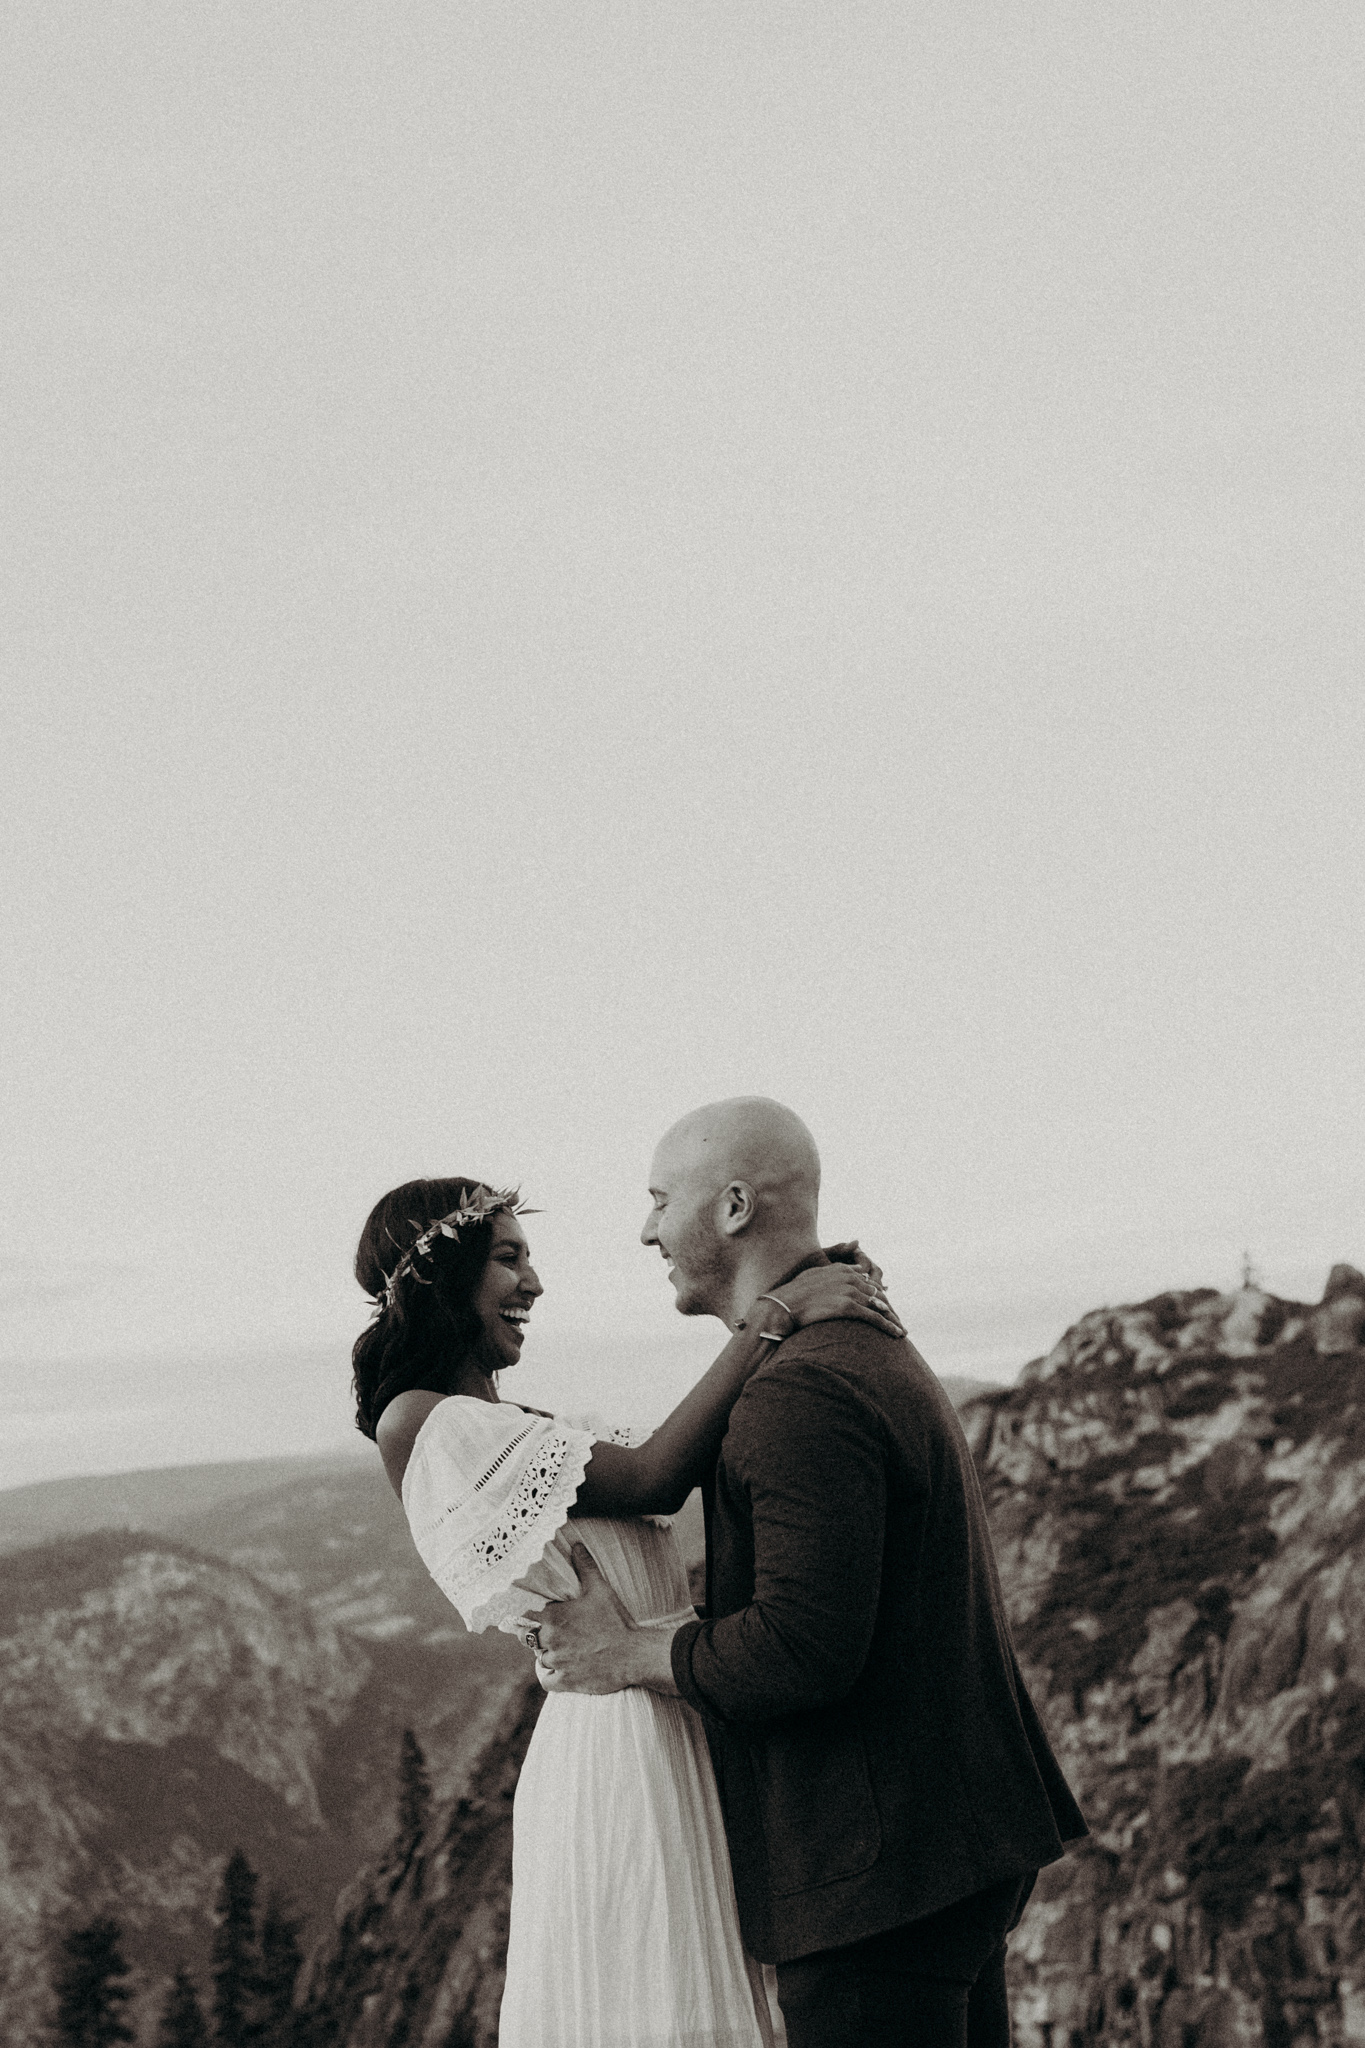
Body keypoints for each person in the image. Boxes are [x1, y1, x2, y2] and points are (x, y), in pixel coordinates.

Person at [533, 1098, 1089, 2048]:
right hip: (939, 1848)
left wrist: (625, 1652)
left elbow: (800, 1650)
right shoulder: (856, 1345)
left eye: (661, 1201)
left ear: (734, 1207)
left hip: (875, 1877)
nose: (644, 1231)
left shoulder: (800, 1389)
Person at [351, 1172, 905, 2048]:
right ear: (441, 1276)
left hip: (673, 1713)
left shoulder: (514, 1424)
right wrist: (775, 1314)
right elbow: (655, 1476)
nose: (532, 1283)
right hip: (618, 1743)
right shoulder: (420, 1421)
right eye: (508, 1258)